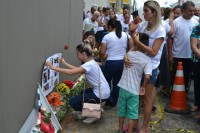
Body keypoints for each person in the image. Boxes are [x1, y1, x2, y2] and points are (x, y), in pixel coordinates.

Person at [125, 1, 166, 133]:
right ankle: (135, 124)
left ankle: (144, 128)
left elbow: (153, 52)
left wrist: (136, 41)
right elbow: (136, 46)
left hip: (151, 68)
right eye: (144, 10)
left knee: (147, 100)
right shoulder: (142, 26)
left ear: (154, 13)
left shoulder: (160, 29)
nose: (143, 13)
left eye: (146, 11)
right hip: (138, 67)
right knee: (136, 97)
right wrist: (127, 54)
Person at [45, 43, 110, 124]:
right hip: (104, 90)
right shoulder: (91, 62)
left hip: (101, 93)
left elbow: (71, 72)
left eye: (77, 54)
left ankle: (93, 112)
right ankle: (92, 109)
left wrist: (53, 67)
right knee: (82, 93)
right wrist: (65, 63)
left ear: (83, 54)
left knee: (72, 102)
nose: (77, 56)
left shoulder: (89, 64)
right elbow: (77, 69)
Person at [117, 34, 152, 133]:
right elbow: (147, 76)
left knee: (121, 111)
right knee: (132, 114)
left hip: (123, 87)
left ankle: (120, 130)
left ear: (136, 44)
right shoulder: (147, 60)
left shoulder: (128, 55)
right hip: (134, 91)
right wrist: (143, 87)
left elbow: (132, 49)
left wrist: (136, 42)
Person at [99, 18, 133, 107]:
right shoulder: (126, 34)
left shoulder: (107, 36)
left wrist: (101, 58)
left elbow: (102, 52)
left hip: (110, 63)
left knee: (107, 82)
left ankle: (107, 99)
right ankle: (114, 101)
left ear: (110, 26)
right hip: (122, 63)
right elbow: (132, 47)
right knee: (117, 83)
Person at [169, 1, 198, 92]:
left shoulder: (196, 22)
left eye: (193, 11)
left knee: (187, 77)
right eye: (190, 11)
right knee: (175, 77)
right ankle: (173, 94)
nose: (192, 13)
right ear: (184, 10)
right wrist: (170, 55)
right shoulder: (176, 22)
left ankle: (183, 95)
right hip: (177, 55)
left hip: (191, 56)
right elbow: (170, 39)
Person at [190, 21, 200, 120]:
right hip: (198, 61)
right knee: (198, 84)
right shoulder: (196, 29)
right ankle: (197, 104)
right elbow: (194, 47)